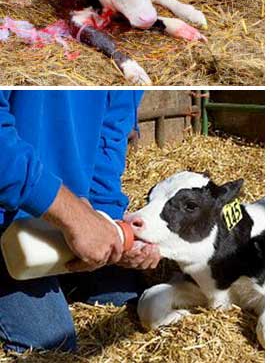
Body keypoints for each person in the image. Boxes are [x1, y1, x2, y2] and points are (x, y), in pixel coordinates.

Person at [0, 90, 161, 353]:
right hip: (7, 213)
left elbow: (110, 133)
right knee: (53, 346)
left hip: (64, 213)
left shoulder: (122, 66)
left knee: (127, 302)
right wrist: (72, 215)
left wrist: (111, 227)